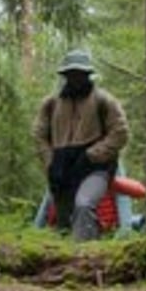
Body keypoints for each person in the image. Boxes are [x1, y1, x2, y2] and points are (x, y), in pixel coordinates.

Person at [33, 49, 129, 241]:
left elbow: (120, 133)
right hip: (62, 168)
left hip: (95, 168)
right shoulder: (51, 104)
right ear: (65, 76)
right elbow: (39, 134)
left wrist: (91, 155)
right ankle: (61, 260)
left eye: (80, 74)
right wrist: (51, 162)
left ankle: (85, 255)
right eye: (71, 74)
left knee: (84, 204)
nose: (75, 78)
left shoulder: (103, 100)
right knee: (62, 217)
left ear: (87, 74)